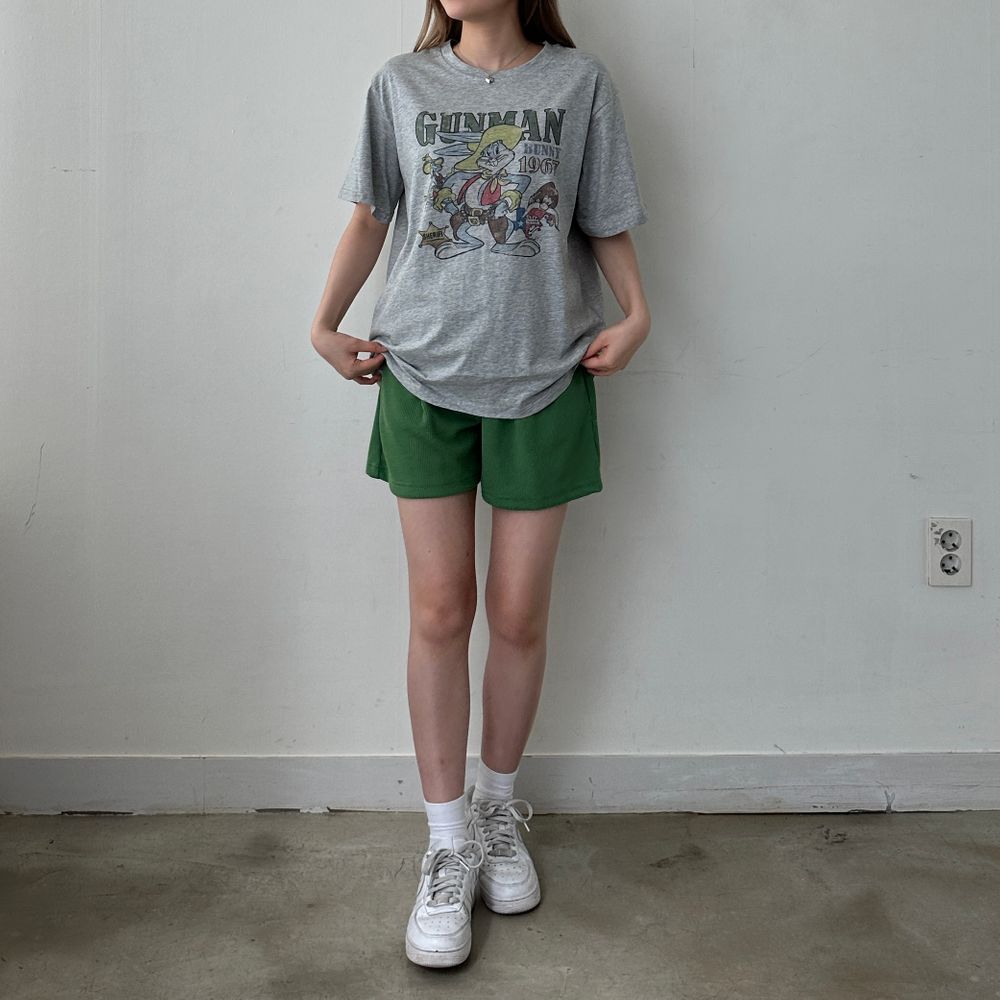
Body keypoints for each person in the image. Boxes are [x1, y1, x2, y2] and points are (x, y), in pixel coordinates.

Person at [310, 0, 650, 969]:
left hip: (546, 374)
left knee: (518, 613)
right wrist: (323, 321)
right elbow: (372, 214)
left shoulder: (579, 85)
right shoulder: (401, 84)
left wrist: (638, 311)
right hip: (420, 372)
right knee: (438, 611)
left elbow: (603, 215)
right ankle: (447, 839)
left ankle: (498, 813)